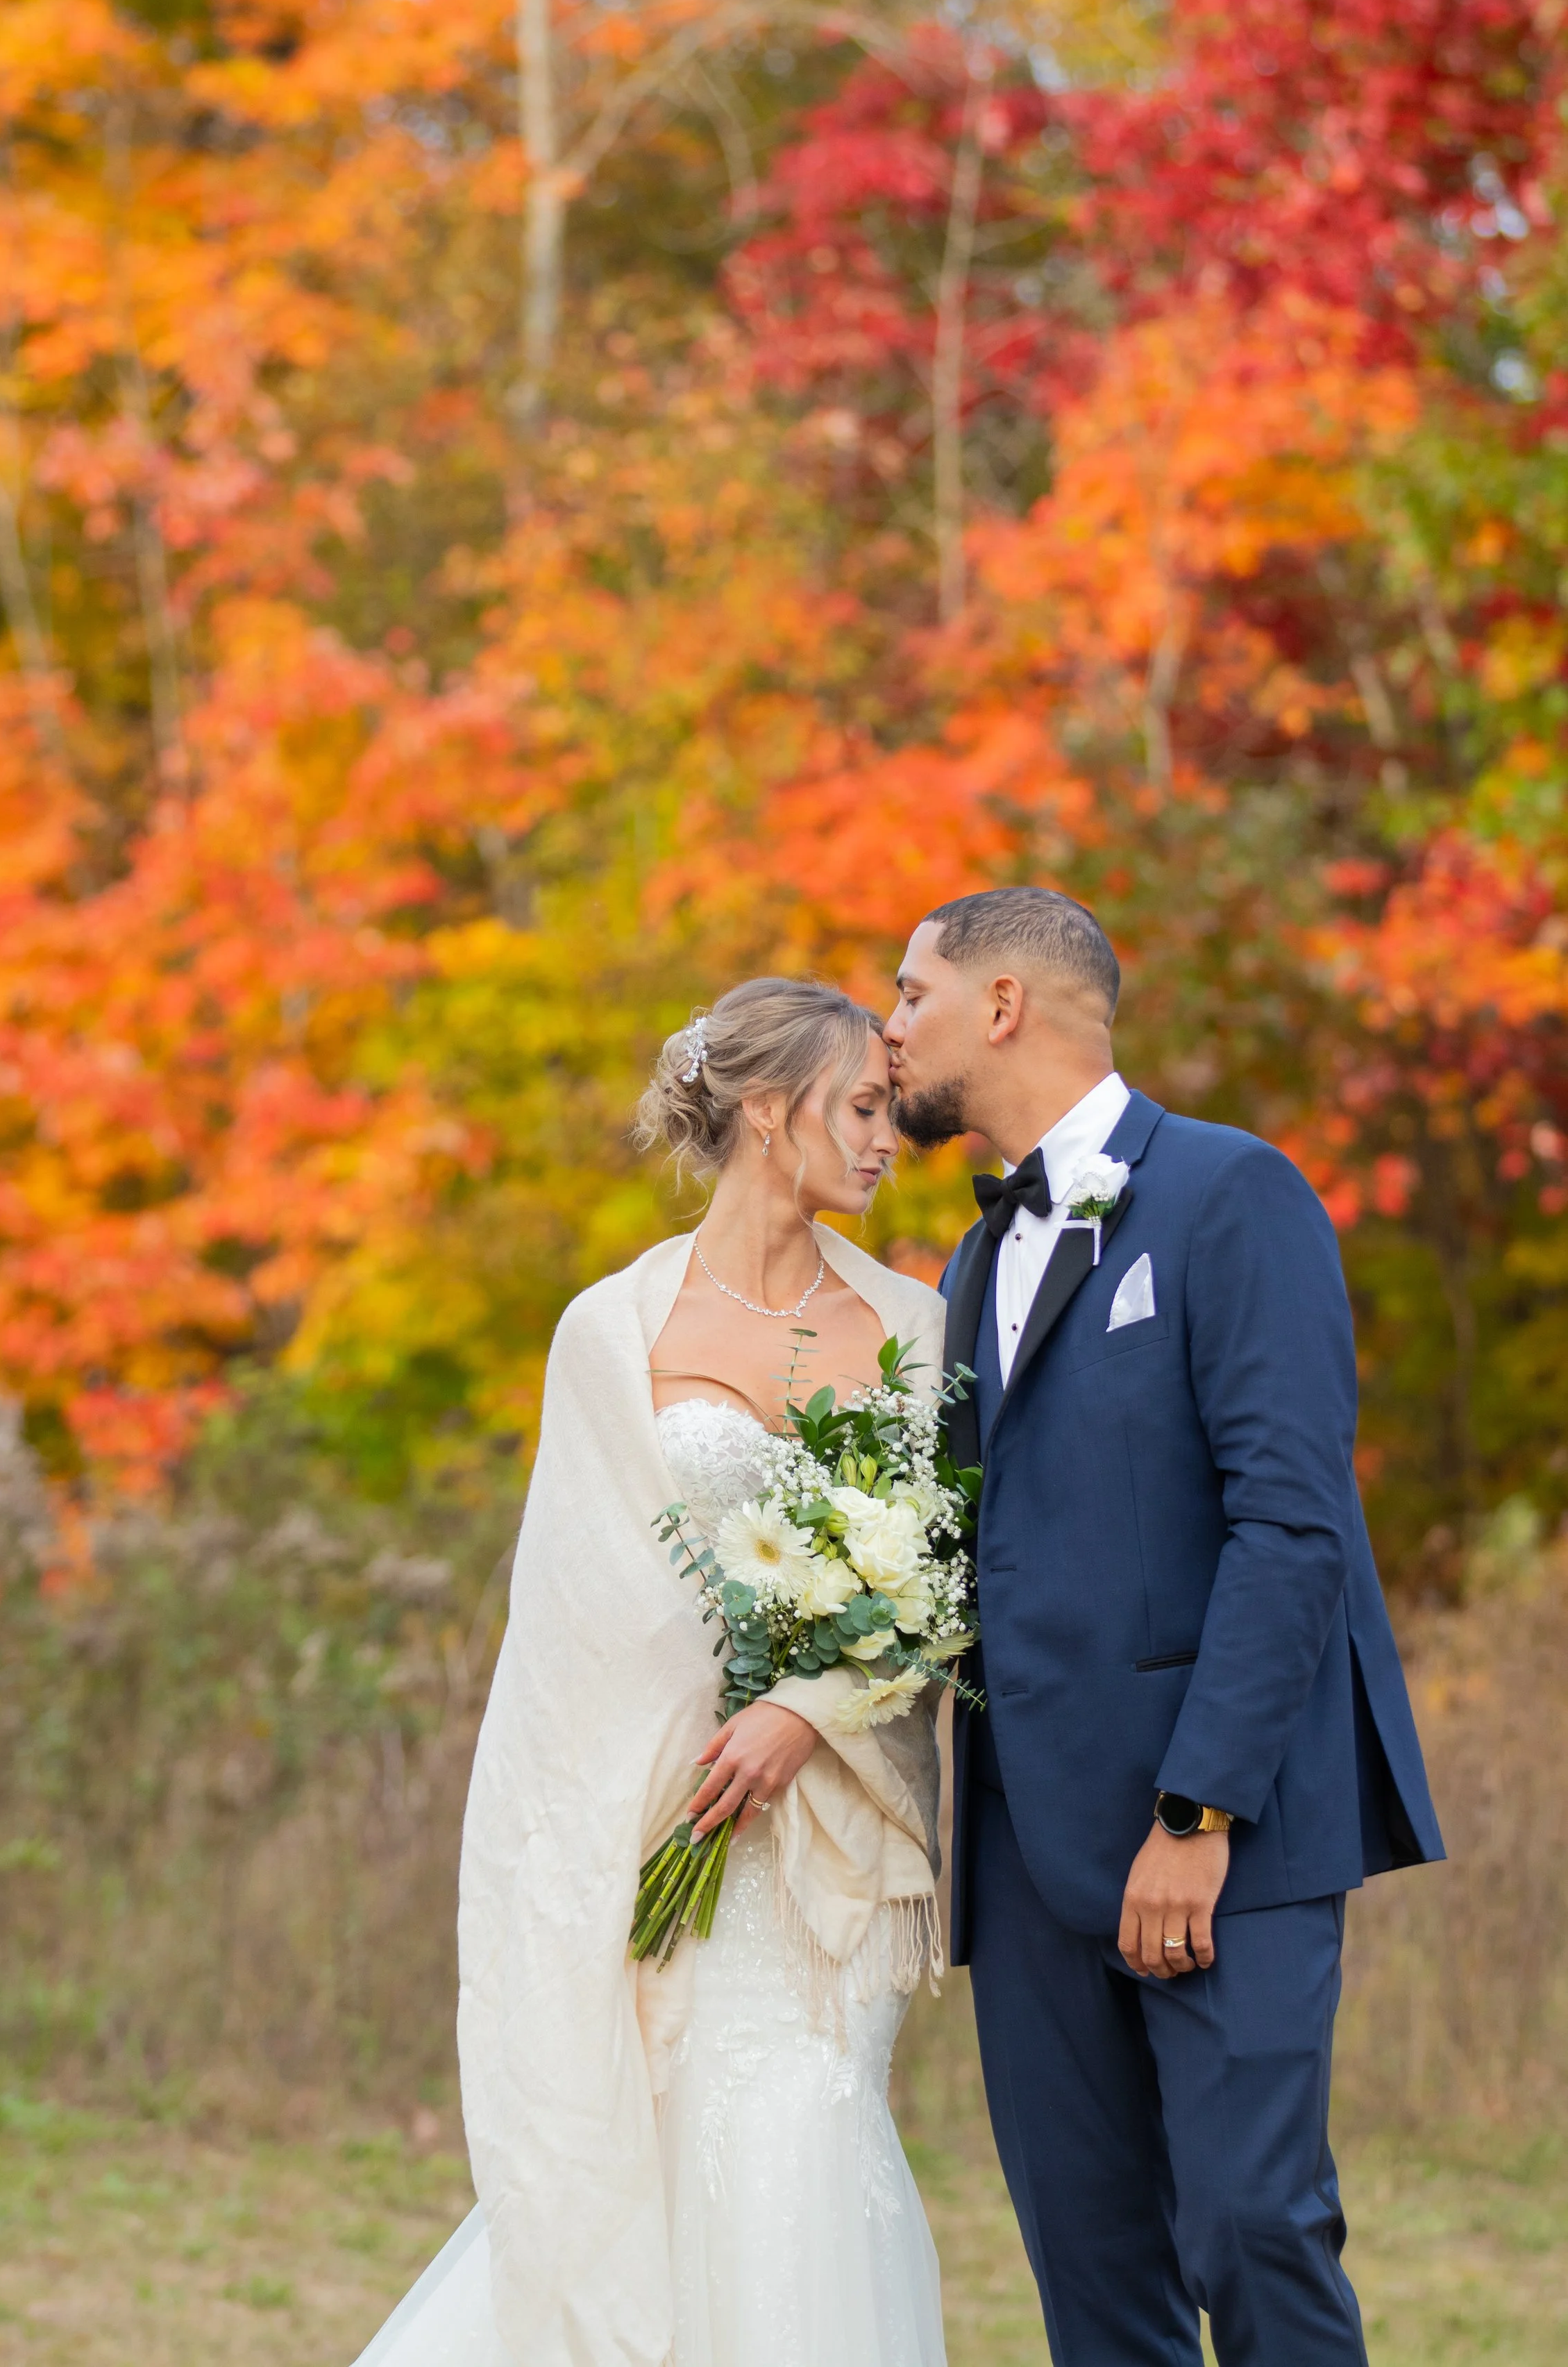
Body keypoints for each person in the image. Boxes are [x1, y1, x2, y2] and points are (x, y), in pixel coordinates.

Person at [353, 977, 950, 2367]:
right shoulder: (607, 1332)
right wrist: (628, 1812)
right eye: (859, 1107)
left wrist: (807, 1708)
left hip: (834, 1841)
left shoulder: (912, 1328)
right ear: (762, 1108)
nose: (883, 1139)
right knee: (649, 2147)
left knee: (808, 2131)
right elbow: (577, 1624)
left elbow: (937, 1585)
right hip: (664, 1819)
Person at [884, 886, 1444, 2367]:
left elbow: (1291, 1524)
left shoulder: (1228, 1191)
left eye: (908, 997)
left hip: (1216, 1828)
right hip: (1019, 1849)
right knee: (1091, 2267)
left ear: (1000, 1005)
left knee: (1252, 2227)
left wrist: (1194, 1814)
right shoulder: (968, 1260)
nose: (887, 1037)